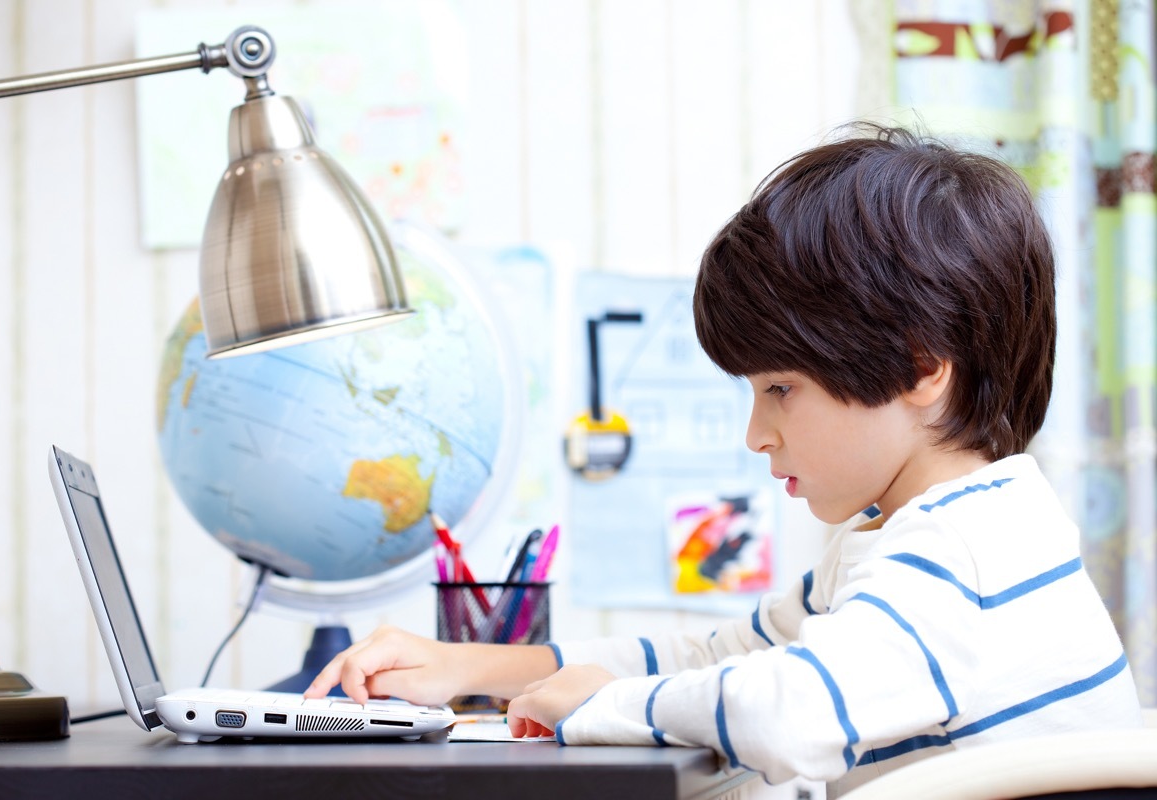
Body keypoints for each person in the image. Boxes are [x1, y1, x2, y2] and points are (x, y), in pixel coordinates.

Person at [305, 124, 1142, 795]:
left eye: (780, 389)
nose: (757, 434)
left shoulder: (962, 551)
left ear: (922, 370)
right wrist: (470, 667)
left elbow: (791, 713)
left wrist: (601, 707)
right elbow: (724, 657)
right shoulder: (920, 534)